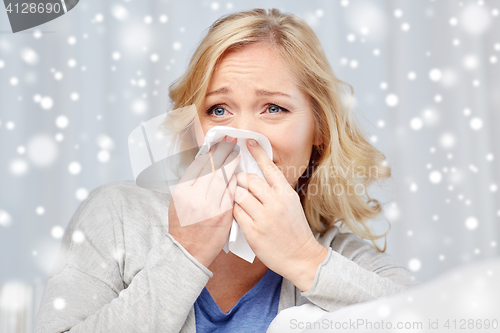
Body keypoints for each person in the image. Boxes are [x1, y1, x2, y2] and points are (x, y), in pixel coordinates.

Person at [35, 8, 420, 333]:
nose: (243, 135)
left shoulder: (342, 257)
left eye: (274, 108)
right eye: (218, 109)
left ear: (318, 128)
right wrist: (185, 254)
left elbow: (426, 321)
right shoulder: (117, 215)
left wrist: (305, 260)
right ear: (193, 128)